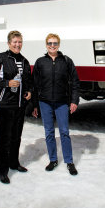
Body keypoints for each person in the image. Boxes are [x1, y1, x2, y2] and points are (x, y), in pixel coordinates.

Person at [0, 30, 32, 184]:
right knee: (5, 139)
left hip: (19, 105)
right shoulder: (0, 58)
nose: (17, 45)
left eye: (20, 42)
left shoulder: (24, 61)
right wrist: (7, 83)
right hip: (4, 105)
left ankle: (14, 163)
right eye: (15, 42)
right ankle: (2, 171)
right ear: (9, 43)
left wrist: (29, 92)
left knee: (16, 137)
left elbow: (28, 80)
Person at [32, 33, 80, 175]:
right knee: (49, 132)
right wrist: (35, 105)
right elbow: (34, 85)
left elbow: (75, 83)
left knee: (64, 132)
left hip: (62, 102)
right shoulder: (40, 62)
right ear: (46, 45)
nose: (52, 46)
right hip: (44, 102)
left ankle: (69, 161)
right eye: (49, 43)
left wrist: (74, 100)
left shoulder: (66, 61)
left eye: (55, 43)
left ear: (59, 45)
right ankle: (53, 160)